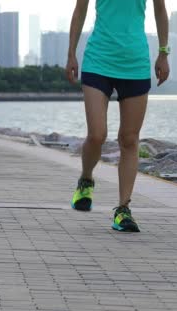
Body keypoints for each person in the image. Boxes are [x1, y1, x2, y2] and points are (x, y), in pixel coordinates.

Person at [66, 0, 170, 232]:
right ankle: (86, 179)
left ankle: (123, 209)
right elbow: (80, 9)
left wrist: (163, 53)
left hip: (135, 63)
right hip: (98, 60)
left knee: (130, 139)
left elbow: (160, 9)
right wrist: (71, 53)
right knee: (97, 135)